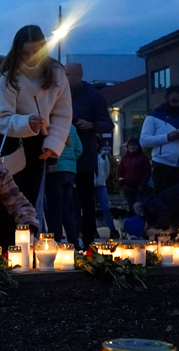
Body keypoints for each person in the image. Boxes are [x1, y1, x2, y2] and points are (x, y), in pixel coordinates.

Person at [0, 25, 73, 209]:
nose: (30, 58)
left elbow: (63, 113)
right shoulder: (6, 79)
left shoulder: (57, 73)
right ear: (17, 51)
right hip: (11, 143)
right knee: (6, 201)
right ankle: (6, 237)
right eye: (25, 53)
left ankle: (27, 237)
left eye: (36, 52)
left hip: (39, 145)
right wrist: (26, 122)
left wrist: (53, 143)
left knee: (30, 201)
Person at [66, 63, 114, 248]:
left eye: (68, 74)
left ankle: (88, 239)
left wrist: (91, 125)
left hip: (85, 155)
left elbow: (108, 124)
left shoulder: (94, 96)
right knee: (69, 200)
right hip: (64, 156)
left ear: (79, 75)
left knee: (86, 199)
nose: (65, 78)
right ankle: (72, 238)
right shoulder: (60, 93)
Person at [140, 85, 179, 194]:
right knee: (163, 200)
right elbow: (144, 141)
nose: (178, 104)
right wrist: (167, 137)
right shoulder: (153, 117)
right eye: (174, 101)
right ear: (166, 98)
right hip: (161, 166)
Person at [44, 124, 82, 243]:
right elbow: (79, 149)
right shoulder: (72, 128)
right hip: (70, 171)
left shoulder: (50, 126)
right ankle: (74, 241)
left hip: (55, 170)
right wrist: (70, 161)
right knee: (67, 208)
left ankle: (55, 240)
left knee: (55, 208)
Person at [117, 137, 150, 215]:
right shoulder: (124, 159)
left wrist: (143, 184)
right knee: (131, 209)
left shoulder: (143, 157)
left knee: (140, 208)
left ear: (138, 146)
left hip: (140, 188)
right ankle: (133, 225)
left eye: (134, 145)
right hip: (128, 188)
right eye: (130, 145)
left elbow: (148, 171)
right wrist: (122, 183)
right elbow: (120, 172)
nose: (132, 147)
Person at [94, 145, 114, 236]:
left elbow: (107, 169)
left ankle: (112, 230)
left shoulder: (103, 156)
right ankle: (93, 230)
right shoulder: (88, 153)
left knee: (106, 208)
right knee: (90, 209)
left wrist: (102, 179)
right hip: (91, 184)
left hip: (101, 185)